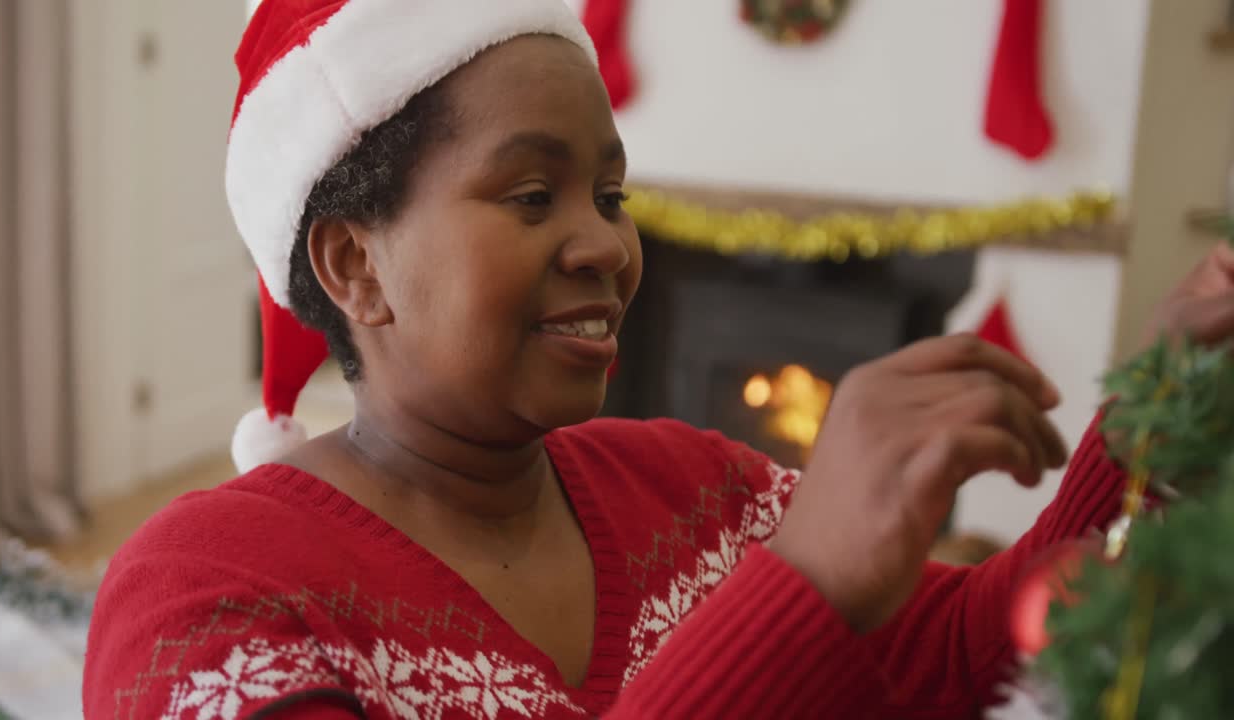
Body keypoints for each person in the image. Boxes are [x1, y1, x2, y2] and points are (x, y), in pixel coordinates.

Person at [81, 1, 1234, 718]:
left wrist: (1152, 416)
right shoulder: (204, 598)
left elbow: (959, 662)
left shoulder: (694, 486)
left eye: (612, 193)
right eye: (533, 194)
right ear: (354, 266)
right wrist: (806, 587)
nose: (609, 245)